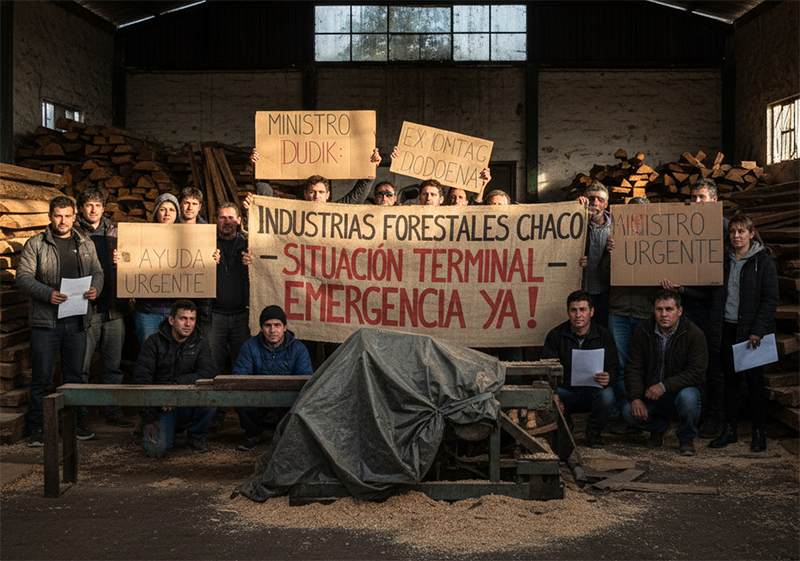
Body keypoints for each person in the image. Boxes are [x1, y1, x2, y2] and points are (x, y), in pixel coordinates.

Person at [17, 195, 104, 446]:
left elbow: (98, 272)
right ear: (50, 216)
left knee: (75, 377)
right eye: (58, 215)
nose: (63, 220)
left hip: (77, 320)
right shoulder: (36, 244)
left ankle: (74, 424)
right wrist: (47, 293)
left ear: (74, 217)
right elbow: (23, 277)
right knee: (42, 378)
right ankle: (38, 429)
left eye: (67, 216)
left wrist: (96, 288)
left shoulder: (85, 243)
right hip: (46, 323)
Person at [661, 178, 729, 438]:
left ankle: (713, 417)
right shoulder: (681, 226)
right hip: (686, 307)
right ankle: (694, 415)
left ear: (714, 200)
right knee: (689, 363)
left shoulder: (725, 230)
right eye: (693, 197)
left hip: (713, 309)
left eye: (702, 197)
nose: (696, 201)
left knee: (713, 366)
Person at [708, 215, 779, 452]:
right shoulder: (723, 260)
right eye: (732, 232)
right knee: (731, 382)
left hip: (751, 333)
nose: (736, 236)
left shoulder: (763, 262)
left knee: (755, 383)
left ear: (751, 233)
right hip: (727, 327)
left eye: (741, 231)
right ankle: (730, 430)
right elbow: (711, 293)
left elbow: (770, 300)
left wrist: (758, 330)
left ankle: (759, 433)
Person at [74, 188, 133, 428]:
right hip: (84, 311)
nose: (93, 209)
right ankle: (80, 416)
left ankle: (113, 411)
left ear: (103, 208)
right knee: (82, 367)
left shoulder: (117, 233)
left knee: (113, 366)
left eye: (98, 205)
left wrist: (125, 260)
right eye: (88, 205)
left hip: (114, 309)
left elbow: (137, 261)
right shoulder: (72, 233)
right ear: (80, 208)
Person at [622, 290, 706, 456]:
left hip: (680, 393)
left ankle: (686, 438)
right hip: (650, 395)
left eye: (669, 309)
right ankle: (658, 428)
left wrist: (664, 386)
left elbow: (697, 373)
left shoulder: (694, 334)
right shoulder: (643, 332)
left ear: (679, 311)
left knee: (689, 399)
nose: (663, 314)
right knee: (627, 412)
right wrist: (636, 397)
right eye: (659, 309)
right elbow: (633, 367)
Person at [132, 300, 215, 457]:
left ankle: (196, 435)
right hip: (161, 405)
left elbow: (207, 372)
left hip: (188, 401)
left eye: (192, 319)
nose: (188, 324)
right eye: (183, 318)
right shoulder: (153, 343)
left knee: (212, 398)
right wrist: (149, 419)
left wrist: (176, 384)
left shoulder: (201, 344)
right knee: (155, 452)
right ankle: (163, 427)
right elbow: (142, 380)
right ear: (171, 320)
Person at [541, 291, 618, 448]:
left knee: (607, 396)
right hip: (564, 392)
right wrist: (553, 393)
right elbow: (546, 370)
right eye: (573, 310)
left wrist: (609, 377)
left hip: (591, 391)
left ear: (592, 312)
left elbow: (614, 367)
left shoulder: (604, 335)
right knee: (545, 398)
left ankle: (594, 431)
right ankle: (565, 424)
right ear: (567, 312)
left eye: (583, 310)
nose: (578, 315)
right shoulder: (555, 335)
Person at [231, 305, 313, 451]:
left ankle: (288, 436)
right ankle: (253, 433)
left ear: (285, 327)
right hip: (258, 397)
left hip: (287, 400)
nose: (272, 330)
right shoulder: (250, 347)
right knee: (239, 396)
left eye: (277, 325)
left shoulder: (298, 349)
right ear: (261, 327)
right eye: (267, 325)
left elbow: (305, 381)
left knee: (305, 399)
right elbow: (239, 376)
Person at [206, 202, 253, 432]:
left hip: (242, 316)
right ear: (216, 220)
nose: (227, 221)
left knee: (242, 368)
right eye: (222, 217)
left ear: (239, 220)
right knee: (212, 367)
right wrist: (205, 260)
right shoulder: (204, 243)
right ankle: (214, 414)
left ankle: (247, 421)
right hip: (213, 315)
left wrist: (251, 265)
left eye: (231, 217)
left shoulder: (250, 243)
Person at [247, 148, 381, 205]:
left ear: (328, 195)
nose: (317, 196)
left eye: (321, 192)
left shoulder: (336, 212)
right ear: (305, 194)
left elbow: (356, 197)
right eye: (312, 192)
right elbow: (270, 198)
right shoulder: (292, 211)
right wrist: (259, 168)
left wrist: (371, 169)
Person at [132, 193, 182, 344]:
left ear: (177, 214)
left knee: (175, 356)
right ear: (156, 213)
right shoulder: (140, 236)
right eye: (163, 209)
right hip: (148, 311)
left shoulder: (187, 239)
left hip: (176, 311)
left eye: (172, 210)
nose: (167, 214)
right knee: (150, 356)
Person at [576, 182, 611, 328]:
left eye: (600, 200)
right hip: (581, 290)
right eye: (591, 199)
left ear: (606, 204)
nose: (595, 203)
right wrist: (573, 208)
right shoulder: (574, 224)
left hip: (606, 293)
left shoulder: (617, 226)